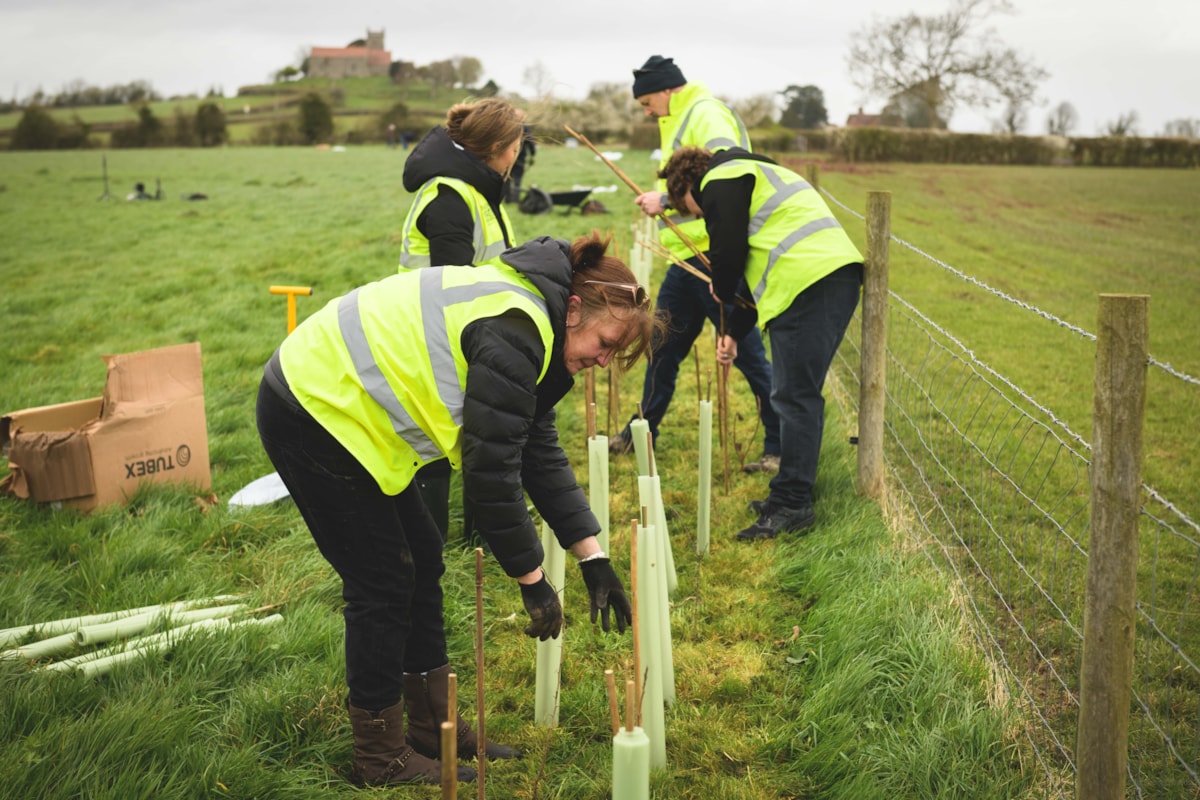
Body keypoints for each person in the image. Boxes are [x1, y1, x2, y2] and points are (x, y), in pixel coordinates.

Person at [256, 232, 657, 787]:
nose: (603, 360)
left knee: (421, 558)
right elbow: (492, 476)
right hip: (313, 408)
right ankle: (379, 754)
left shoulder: (533, 323)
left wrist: (592, 556)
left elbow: (535, 448)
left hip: (357, 419)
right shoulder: (515, 331)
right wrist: (532, 579)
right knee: (382, 580)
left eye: (615, 356)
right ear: (573, 310)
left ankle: (432, 727)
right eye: (606, 342)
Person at [659, 146, 864, 540]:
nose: (699, 216)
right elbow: (754, 268)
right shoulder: (754, 176)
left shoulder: (722, 177)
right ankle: (786, 494)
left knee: (794, 396)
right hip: (817, 279)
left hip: (811, 281)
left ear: (688, 185)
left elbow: (728, 250)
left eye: (691, 208)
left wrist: (719, 285)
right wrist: (733, 333)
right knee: (791, 394)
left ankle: (792, 505)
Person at [612, 55, 782, 474]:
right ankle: (642, 430)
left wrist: (668, 201)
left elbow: (726, 175)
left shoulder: (705, 113)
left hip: (713, 257)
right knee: (662, 345)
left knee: (746, 354)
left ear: (667, 89)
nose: (645, 110)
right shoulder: (675, 118)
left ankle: (780, 445)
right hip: (683, 258)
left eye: (647, 100)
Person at [398, 98, 525, 540]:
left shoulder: (476, 189)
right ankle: (431, 542)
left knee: (481, 433)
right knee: (436, 439)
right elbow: (449, 287)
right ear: (496, 147)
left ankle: (480, 535)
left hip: (474, 332)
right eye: (515, 145)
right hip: (438, 336)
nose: (518, 154)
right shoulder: (451, 196)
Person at [503, 124, 537, 204]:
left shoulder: (507, 127)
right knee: (517, 179)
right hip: (520, 159)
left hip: (509, 158)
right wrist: (533, 154)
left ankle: (508, 199)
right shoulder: (525, 129)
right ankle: (515, 199)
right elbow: (531, 143)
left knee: (507, 178)